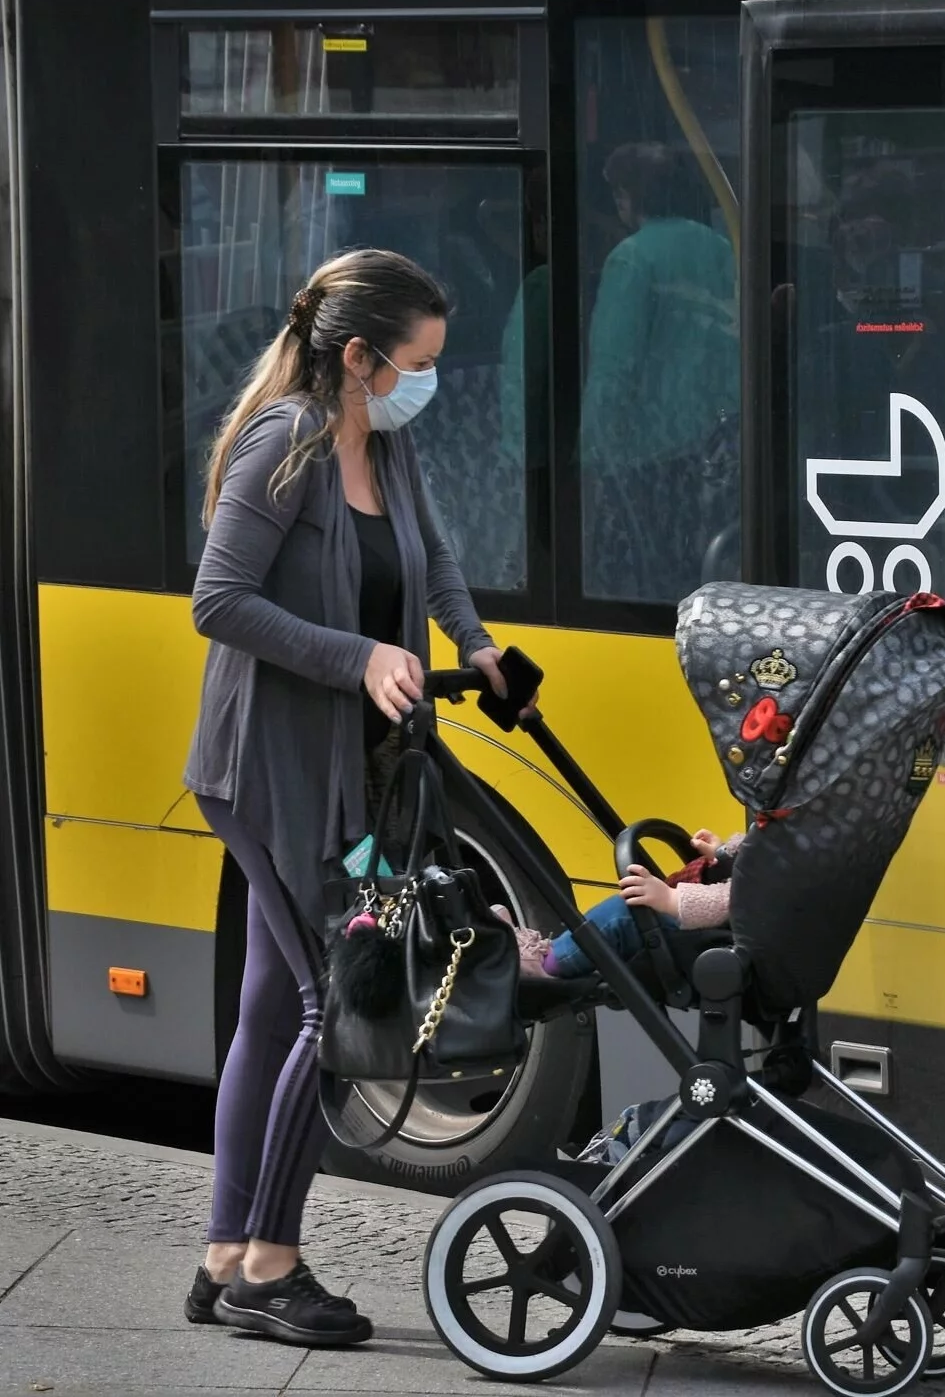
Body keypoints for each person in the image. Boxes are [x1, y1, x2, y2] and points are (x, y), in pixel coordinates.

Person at [183, 249, 519, 1345]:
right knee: (329, 1014)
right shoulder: (286, 443)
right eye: (415, 363)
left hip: (346, 764)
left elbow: (432, 558)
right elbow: (218, 601)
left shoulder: (390, 442)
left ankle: (223, 1254)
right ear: (361, 356)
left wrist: (477, 645)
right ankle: (267, 1270)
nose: (428, 381)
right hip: (270, 766)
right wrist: (359, 657)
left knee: (271, 1008)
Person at [582, 141, 738, 603]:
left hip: (642, 452)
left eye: (620, 194)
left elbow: (614, 361)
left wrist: (592, 450)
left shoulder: (632, 258)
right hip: (710, 443)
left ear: (631, 196)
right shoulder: (719, 246)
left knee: (638, 579)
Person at [506, 830, 741, 979]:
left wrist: (670, 899)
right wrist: (723, 854)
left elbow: (740, 899)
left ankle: (547, 963)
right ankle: (549, 952)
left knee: (624, 914)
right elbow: (756, 862)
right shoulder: (775, 828)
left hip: (728, 932)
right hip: (738, 927)